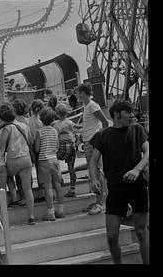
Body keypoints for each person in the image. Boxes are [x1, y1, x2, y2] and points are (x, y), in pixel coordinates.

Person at [89, 100, 149, 264]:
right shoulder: (102, 135)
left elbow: (148, 152)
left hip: (138, 185)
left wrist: (137, 169)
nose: (132, 115)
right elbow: (94, 160)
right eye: (128, 112)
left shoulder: (137, 129)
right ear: (117, 115)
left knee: (141, 231)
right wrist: (94, 179)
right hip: (115, 188)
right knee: (111, 235)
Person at [0, 103, 36, 225]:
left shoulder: (7, 129)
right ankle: (31, 216)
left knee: (7, 175)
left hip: (13, 159)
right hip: (26, 158)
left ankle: (13, 197)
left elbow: (1, 145)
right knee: (28, 188)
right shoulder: (24, 126)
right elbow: (31, 141)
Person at [76, 83, 109, 215]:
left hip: (93, 141)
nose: (77, 95)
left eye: (78, 93)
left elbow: (105, 122)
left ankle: (101, 202)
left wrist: (101, 139)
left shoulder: (92, 105)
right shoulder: (87, 106)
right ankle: (98, 200)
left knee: (96, 170)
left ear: (83, 93)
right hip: (89, 141)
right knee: (93, 171)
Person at [35, 107, 65, 221]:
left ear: (41, 119)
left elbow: (37, 148)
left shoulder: (39, 131)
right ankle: (60, 210)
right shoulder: (54, 130)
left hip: (44, 161)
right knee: (58, 185)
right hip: (54, 160)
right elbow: (57, 147)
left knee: (48, 187)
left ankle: (50, 212)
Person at [54, 103, 82, 197]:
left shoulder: (56, 125)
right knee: (71, 169)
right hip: (71, 147)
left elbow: (56, 138)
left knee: (54, 161)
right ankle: (72, 188)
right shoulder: (70, 122)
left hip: (62, 147)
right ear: (67, 113)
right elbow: (76, 127)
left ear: (56, 114)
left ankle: (60, 177)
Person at [12, 99, 30, 206]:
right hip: (26, 151)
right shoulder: (27, 121)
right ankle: (28, 196)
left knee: (18, 177)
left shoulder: (13, 121)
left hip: (16, 152)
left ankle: (22, 196)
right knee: (28, 177)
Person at [28, 99, 45, 202]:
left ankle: (41, 192)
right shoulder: (40, 120)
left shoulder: (29, 120)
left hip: (32, 145)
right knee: (42, 169)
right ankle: (44, 192)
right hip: (41, 144)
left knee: (38, 169)